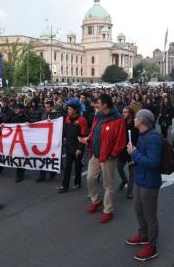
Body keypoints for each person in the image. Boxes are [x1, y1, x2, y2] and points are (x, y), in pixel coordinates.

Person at [81, 94, 126, 223]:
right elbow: (94, 131)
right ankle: (96, 200)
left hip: (108, 156)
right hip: (95, 153)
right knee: (90, 178)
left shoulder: (118, 119)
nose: (96, 105)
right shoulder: (98, 116)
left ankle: (108, 209)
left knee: (108, 184)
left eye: (98, 103)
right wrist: (88, 138)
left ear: (105, 104)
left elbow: (120, 140)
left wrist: (113, 154)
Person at [126, 109, 163, 262]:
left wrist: (134, 153)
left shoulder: (153, 137)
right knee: (138, 210)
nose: (133, 119)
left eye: (136, 117)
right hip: (140, 179)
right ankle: (143, 235)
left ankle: (152, 245)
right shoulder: (142, 135)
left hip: (150, 182)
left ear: (141, 121)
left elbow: (154, 163)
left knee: (150, 215)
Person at [57, 98, 88, 193]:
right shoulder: (67, 119)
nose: (68, 111)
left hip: (77, 148)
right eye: (68, 109)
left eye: (70, 109)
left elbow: (84, 136)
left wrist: (80, 149)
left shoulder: (82, 120)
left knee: (78, 167)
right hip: (69, 147)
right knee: (67, 167)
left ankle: (77, 183)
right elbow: (65, 132)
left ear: (75, 110)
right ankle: (64, 186)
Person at [36, 100, 62, 182]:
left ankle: (52, 173)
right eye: (45, 107)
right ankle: (42, 175)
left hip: (53, 139)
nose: (46, 109)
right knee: (42, 156)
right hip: (44, 138)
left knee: (51, 156)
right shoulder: (44, 114)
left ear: (52, 107)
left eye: (47, 107)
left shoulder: (58, 115)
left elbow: (59, 127)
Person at [117, 106, 139, 199]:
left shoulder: (136, 123)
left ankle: (129, 192)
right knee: (119, 167)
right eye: (123, 112)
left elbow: (140, 137)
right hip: (123, 150)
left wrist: (136, 148)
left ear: (130, 113)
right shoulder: (122, 123)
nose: (123, 114)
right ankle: (124, 180)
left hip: (133, 151)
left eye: (125, 112)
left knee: (132, 172)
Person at [10, 103, 30, 182]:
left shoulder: (26, 118)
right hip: (15, 140)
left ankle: (20, 174)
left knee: (22, 157)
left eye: (17, 108)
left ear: (21, 109)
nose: (16, 110)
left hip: (23, 140)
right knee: (17, 157)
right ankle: (19, 173)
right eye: (15, 108)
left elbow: (31, 126)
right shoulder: (14, 117)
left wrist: (28, 125)